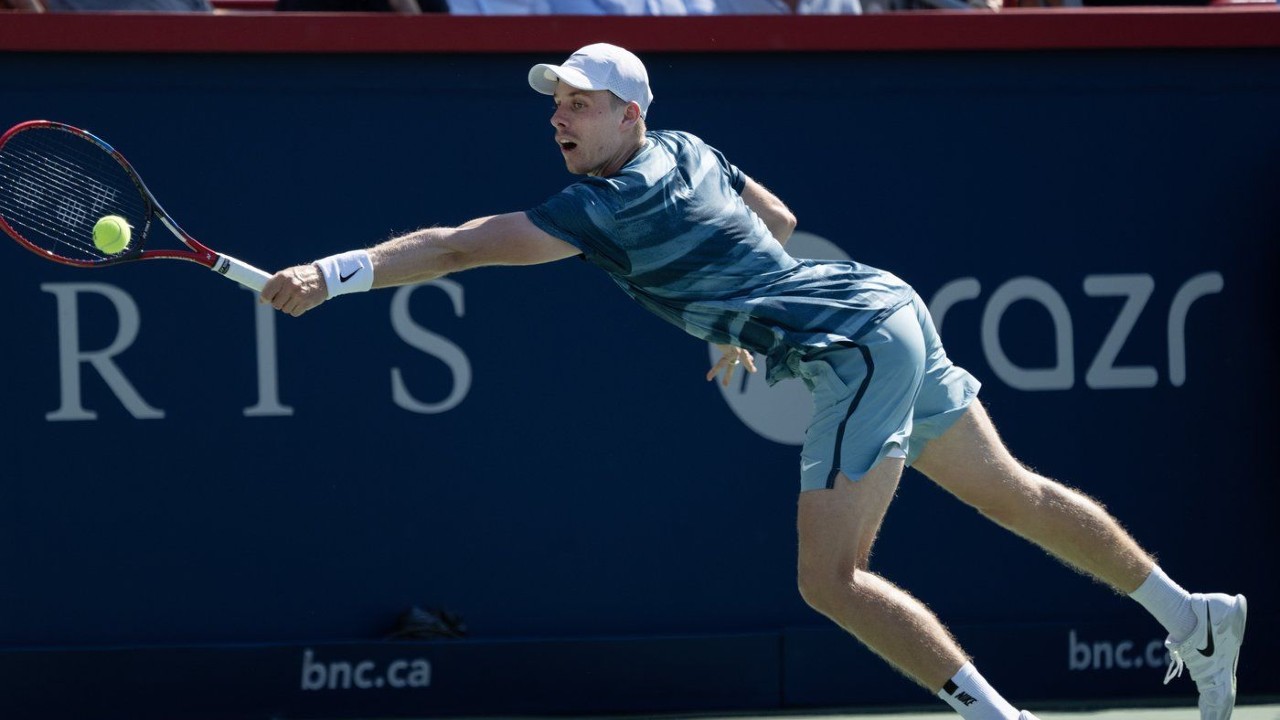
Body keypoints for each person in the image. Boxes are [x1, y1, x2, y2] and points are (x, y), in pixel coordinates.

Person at [260, 43, 1247, 720]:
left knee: (828, 581)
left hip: (852, 351)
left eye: (578, 102)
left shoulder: (598, 206)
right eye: (553, 103)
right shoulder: (692, 151)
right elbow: (775, 216)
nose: (558, 116)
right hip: (882, 303)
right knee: (1012, 493)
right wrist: (738, 320)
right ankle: (1188, 614)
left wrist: (333, 273)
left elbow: (453, 249)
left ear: (628, 113)